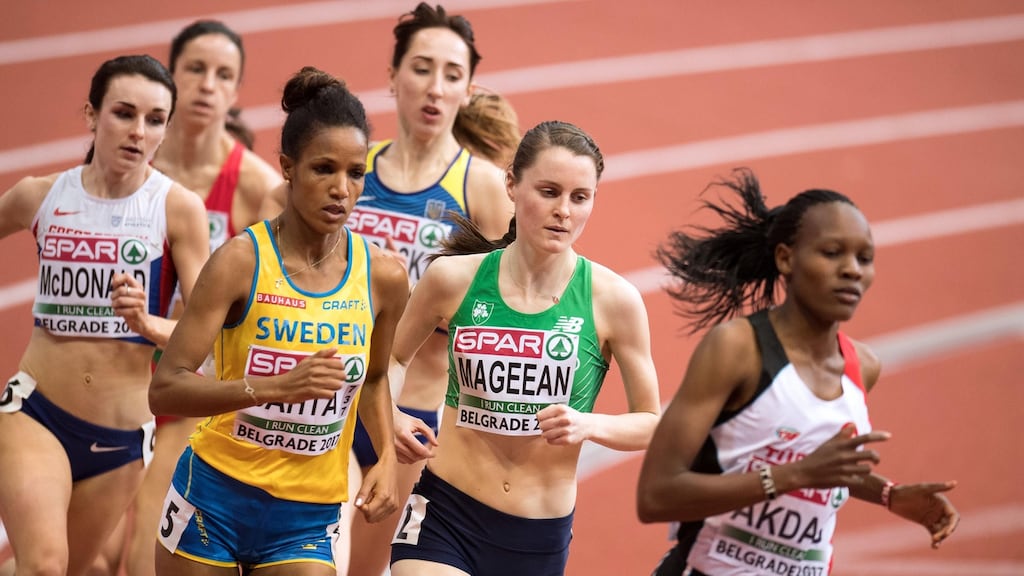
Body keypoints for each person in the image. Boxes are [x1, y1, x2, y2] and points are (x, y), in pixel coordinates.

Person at [635, 168, 960, 576]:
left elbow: (814, 460)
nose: (852, 270)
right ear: (786, 257)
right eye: (831, 253)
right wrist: (793, 476)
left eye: (864, 258)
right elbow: (656, 495)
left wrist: (888, 495)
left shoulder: (862, 368)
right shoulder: (737, 349)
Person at [148, 66, 408, 575]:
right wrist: (272, 387)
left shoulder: (384, 277)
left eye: (355, 173)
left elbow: (374, 378)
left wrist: (387, 458)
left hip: (309, 513)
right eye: (323, 169)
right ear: (288, 168)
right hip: (215, 496)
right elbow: (166, 388)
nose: (341, 189)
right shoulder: (240, 262)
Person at [282, 5, 513, 575]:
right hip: (332, 399)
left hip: (415, 413)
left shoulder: (480, 186)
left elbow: (518, 301)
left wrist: (449, 312)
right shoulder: (354, 170)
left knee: (363, 568)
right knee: (314, 559)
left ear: (468, 89)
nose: (435, 88)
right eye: (421, 68)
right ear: (392, 77)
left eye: (452, 75)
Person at [388, 120, 661, 576]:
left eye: (580, 197)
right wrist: (390, 413)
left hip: (537, 538)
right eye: (549, 192)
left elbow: (651, 422)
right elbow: (392, 359)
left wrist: (586, 423)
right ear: (512, 184)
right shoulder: (454, 278)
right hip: (445, 510)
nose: (564, 212)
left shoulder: (614, 300)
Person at [0, 54, 210, 576]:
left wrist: (148, 325)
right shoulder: (41, 195)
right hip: (35, 412)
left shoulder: (178, 209)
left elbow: (205, 336)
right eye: (124, 113)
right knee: (45, 564)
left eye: (155, 119)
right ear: (92, 115)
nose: (139, 131)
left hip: (119, 438)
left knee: (64, 570)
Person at [97, 20, 284, 576]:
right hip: (114, 374)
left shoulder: (254, 184)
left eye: (223, 75)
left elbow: (277, 294)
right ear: (172, 78)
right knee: (90, 559)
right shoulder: (128, 162)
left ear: (236, 92)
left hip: (190, 386)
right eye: (195, 70)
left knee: (139, 560)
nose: (207, 85)